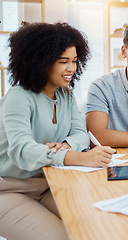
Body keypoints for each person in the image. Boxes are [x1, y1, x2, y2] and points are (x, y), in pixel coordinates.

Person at [0, 23, 116, 239]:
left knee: (96, 223)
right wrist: (76, 157)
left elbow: (81, 133)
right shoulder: (18, 97)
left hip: (49, 184)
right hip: (9, 191)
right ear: (40, 61)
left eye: (74, 61)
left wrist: (67, 145)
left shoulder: (66, 95)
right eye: (63, 62)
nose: (71, 68)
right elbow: (22, 150)